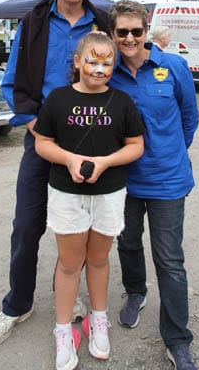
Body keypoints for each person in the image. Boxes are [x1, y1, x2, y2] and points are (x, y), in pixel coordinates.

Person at [0, 0, 111, 347]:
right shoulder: (33, 22)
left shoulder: (102, 24)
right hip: (42, 141)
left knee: (77, 227)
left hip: (89, 144)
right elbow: (12, 85)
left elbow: (120, 70)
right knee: (27, 225)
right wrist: (39, 131)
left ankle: (66, 297)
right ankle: (17, 304)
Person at [34, 31, 144, 370]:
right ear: (77, 61)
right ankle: (63, 330)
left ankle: (98, 319)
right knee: (69, 264)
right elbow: (42, 142)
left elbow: (136, 145)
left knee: (98, 260)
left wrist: (105, 163)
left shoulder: (122, 102)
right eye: (92, 62)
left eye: (107, 63)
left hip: (109, 194)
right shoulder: (58, 98)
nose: (99, 69)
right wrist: (69, 160)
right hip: (66, 195)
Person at [108, 0, 199, 370]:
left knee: (170, 260)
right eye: (122, 32)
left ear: (146, 30)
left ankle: (177, 341)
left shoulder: (173, 66)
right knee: (128, 242)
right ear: (113, 34)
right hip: (123, 181)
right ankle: (135, 292)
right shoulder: (108, 71)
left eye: (136, 31)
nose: (130, 38)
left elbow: (189, 118)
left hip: (167, 181)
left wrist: (169, 153)